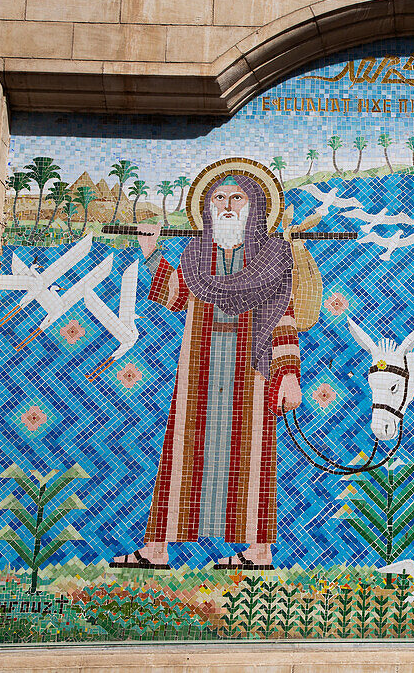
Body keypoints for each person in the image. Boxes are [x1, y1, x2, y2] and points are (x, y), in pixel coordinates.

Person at [110, 174, 303, 571]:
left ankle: (259, 552)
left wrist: (288, 374)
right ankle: (156, 549)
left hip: (251, 374)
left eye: (236, 198)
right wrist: (150, 255)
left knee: (254, 460)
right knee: (182, 454)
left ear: (254, 208)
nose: (227, 205)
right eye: (218, 198)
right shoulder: (196, 256)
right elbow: (176, 297)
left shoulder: (269, 260)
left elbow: (284, 317)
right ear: (207, 208)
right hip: (200, 368)